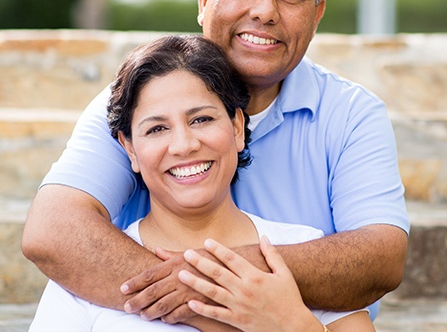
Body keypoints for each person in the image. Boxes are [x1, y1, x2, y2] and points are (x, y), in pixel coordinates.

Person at [22, 0, 409, 326]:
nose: (265, 11)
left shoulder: (351, 115)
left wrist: (214, 283)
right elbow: (54, 230)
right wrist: (218, 305)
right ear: (205, 0)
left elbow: (381, 258)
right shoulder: (138, 100)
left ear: (316, 15)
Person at [29, 35, 374, 331]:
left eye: (202, 119)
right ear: (129, 149)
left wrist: (293, 325)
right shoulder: (86, 273)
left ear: (237, 128)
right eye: (157, 128)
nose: (184, 145)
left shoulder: (302, 249)